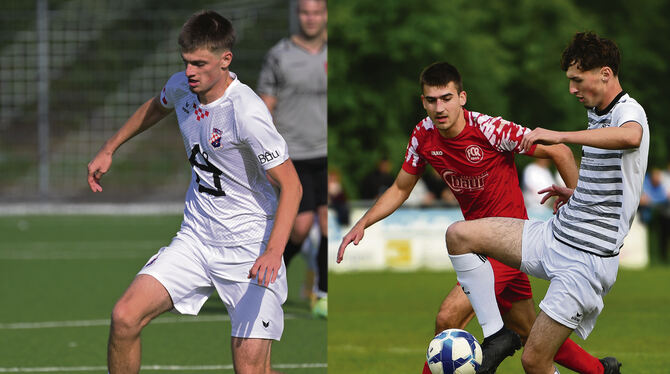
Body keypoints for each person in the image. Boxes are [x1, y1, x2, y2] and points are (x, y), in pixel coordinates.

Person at [337, 61, 618, 374]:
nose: (439, 107)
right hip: (476, 248)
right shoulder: (423, 136)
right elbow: (401, 187)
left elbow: (561, 152)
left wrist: (579, 208)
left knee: (448, 318)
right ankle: (602, 372)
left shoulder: (489, 130)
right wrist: (362, 222)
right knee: (529, 332)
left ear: (462, 97)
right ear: (423, 102)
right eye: (431, 100)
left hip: (510, 243)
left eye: (446, 98)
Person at [87, 10, 302, 374]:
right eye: (186, 62)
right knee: (124, 318)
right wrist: (111, 147)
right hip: (197, 240)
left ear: (225, 60)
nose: (190, 72)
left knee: (251, 370)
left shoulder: (246, 112)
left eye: (200, 64)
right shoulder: (183, 85)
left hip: (249, 249)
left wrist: (273, 251)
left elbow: (292, 185)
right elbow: (157, 106)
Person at [445, 32, 648, 374]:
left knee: (535, 360)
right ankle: (496, 335)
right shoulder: (598, 113)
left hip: (586, 261)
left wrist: (560, 135)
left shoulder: (629, 111)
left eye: (577, 80)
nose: (572, 89)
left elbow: (631, 137)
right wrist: (578, 194)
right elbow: (614, 178)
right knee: (459, 235)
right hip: (556, 236)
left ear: (605, 74)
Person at [257, 0, 328, 316]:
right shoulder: (278, 55)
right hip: (293, 154)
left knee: (328, 223)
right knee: (299, 228)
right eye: (305, 12)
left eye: (317, 12)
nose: (311, 18)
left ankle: (323, 294)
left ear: (325, 15)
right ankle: (272, 275)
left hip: (327, 153)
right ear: (297, 16)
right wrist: (265, 154)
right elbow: (264, 106)